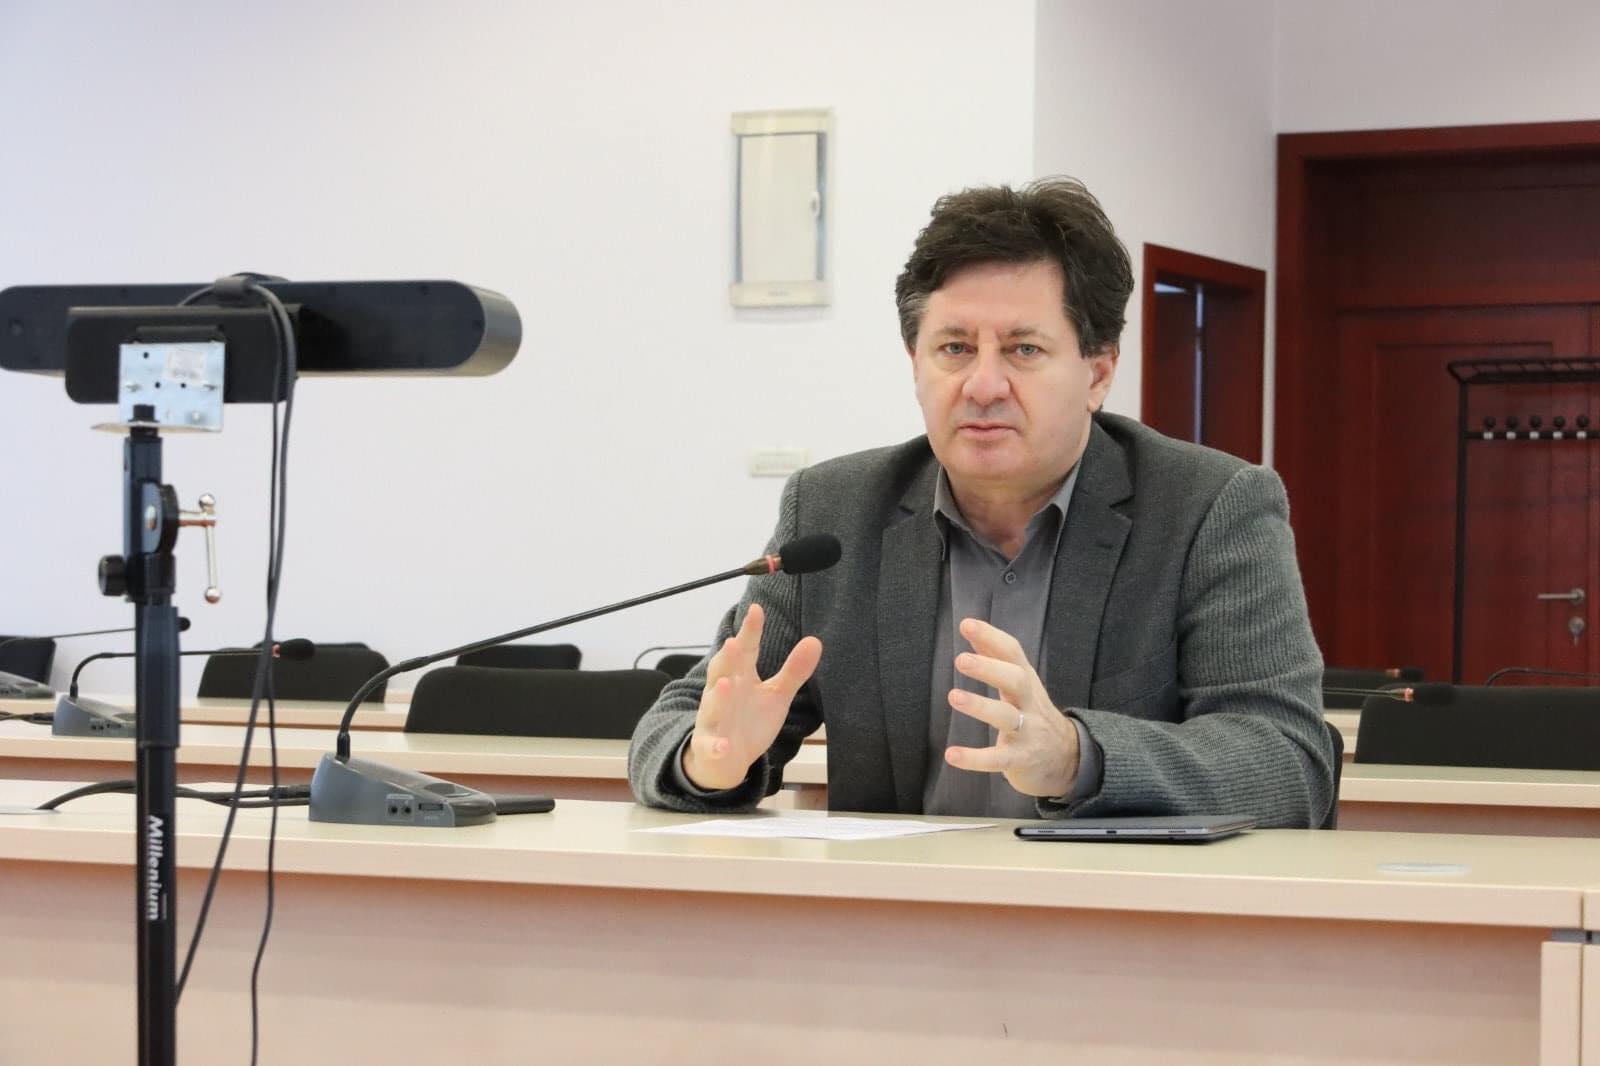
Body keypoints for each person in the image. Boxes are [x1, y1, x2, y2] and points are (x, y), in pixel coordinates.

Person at [628, 177, 1334, 826]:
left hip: (1117, 911)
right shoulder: (835, 511)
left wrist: (1078, 757)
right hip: (894, 910)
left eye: (1024, 350)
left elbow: (1288, 760)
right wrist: (707, 762)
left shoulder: (1209, 509)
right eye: (955, 349)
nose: (984, 385)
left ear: (1097, 374)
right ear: (915, 366)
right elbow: (691, 716)